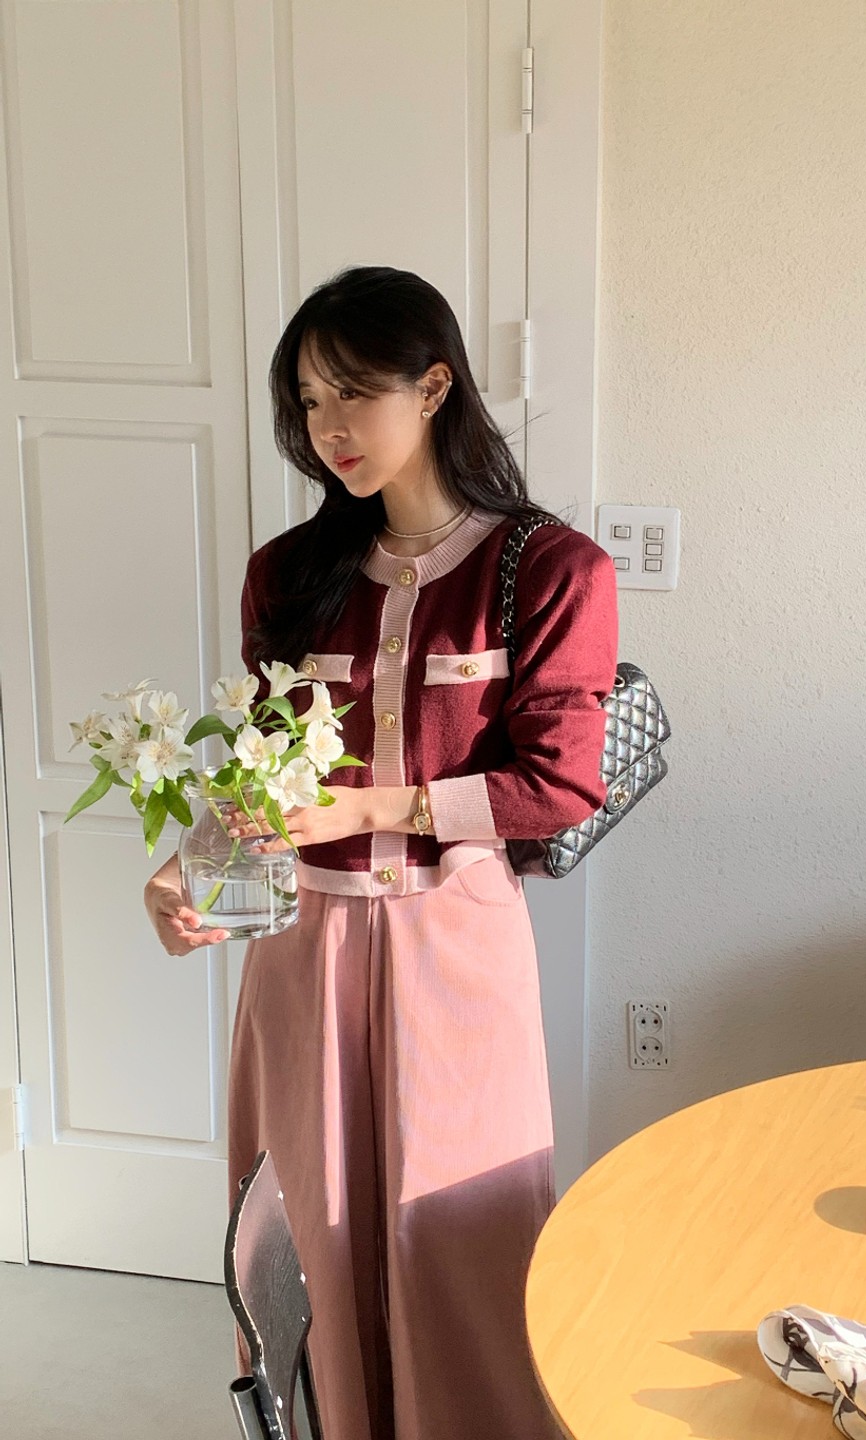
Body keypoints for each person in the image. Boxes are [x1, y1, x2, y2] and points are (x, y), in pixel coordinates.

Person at [142, 266, 618, 1440]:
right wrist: (189, 868)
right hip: (300, 953)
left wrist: (372, 809)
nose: (329, 428)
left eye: (354, 392)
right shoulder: (288, 576)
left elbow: (556, 788)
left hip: (456, 947)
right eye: (309, 402)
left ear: (435, 386)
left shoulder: (552, 571)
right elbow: (263, 778)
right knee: (307, 1230)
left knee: (461, 1226)